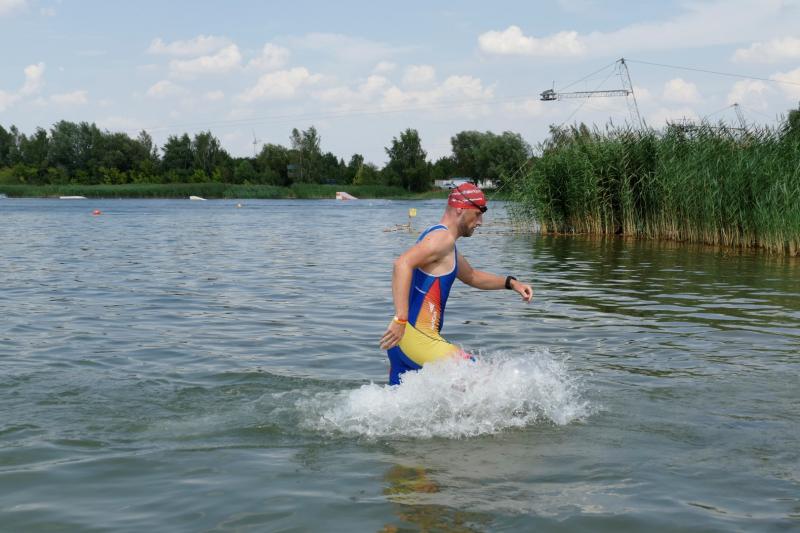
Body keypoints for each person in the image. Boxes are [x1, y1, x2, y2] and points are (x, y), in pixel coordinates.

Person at [379, 182, 534, 385]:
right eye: (477, 214)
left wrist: (511, 283)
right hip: (419, 340)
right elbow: (402, 264)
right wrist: (400, 318)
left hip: (401, 344)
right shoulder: (443, 239)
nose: (480, 222)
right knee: (490, 381)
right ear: (461, 209)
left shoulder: (437, 237)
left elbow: (472, 276)